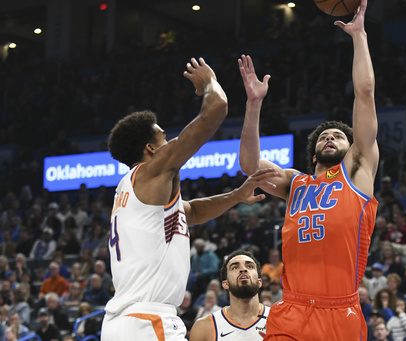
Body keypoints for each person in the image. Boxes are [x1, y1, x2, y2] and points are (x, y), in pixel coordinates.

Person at [101, 57, 276, 341]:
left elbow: (191, 212)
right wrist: (209, 83)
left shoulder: (135, 193)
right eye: (163, 137)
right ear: (150, 149)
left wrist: (235, 196)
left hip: (128, 320)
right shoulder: (150, 172)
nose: (170, 142)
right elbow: (216, 109)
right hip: (148, 321)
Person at [238, 1, 378, 339]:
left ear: (351, 148)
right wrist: (254, 104)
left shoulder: (357, 171)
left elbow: (365, 92)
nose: (331, 137)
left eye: (339, 136)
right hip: (292, 308)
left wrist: (358, 36)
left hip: (339, 310)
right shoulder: (295, 182)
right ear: (313, 151)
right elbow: (249, 165)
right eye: (325, 136)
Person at [190, 250, 269, 340]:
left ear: (259, 282)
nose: (243, 269)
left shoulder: (278, 320)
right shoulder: (204, 327)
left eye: (250, 266)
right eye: (235, 267)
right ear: (225, 284)